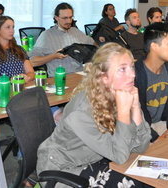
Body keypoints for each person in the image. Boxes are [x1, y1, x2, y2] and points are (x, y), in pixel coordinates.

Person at [36, 43, 151, 187]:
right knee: (131, 183)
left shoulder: (119, 95)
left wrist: (135, 107)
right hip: (63, 170)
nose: (133, 74)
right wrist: (123, 112)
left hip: (94, 159)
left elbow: (140, 147)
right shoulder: (82, 113)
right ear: (104, 77)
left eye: (131, 67)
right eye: (122, 69)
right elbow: (121, 156)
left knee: (146, 176)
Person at [135, 22, 168, 143]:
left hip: (164, 125)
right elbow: (134, 114)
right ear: (154, 47)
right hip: (140, 130)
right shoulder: (135, 74)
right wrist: (155, 138)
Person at [29, 2, 96, 76]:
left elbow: (94, 44)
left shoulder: (76, 32)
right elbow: (32, 61)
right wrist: (53, 56)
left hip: (79, 74)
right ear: (56, 18)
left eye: (70, 17)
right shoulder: (47, 35)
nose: (69, 21)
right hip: (59, 77)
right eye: (65, 18)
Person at [0, 16, 35, 89]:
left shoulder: (20, 49)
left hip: (22, 90)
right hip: (3, 92)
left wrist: (27, 77)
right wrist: (11, 80)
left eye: (13, 27)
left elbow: (31, 72)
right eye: (8, 27)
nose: (12, 30)